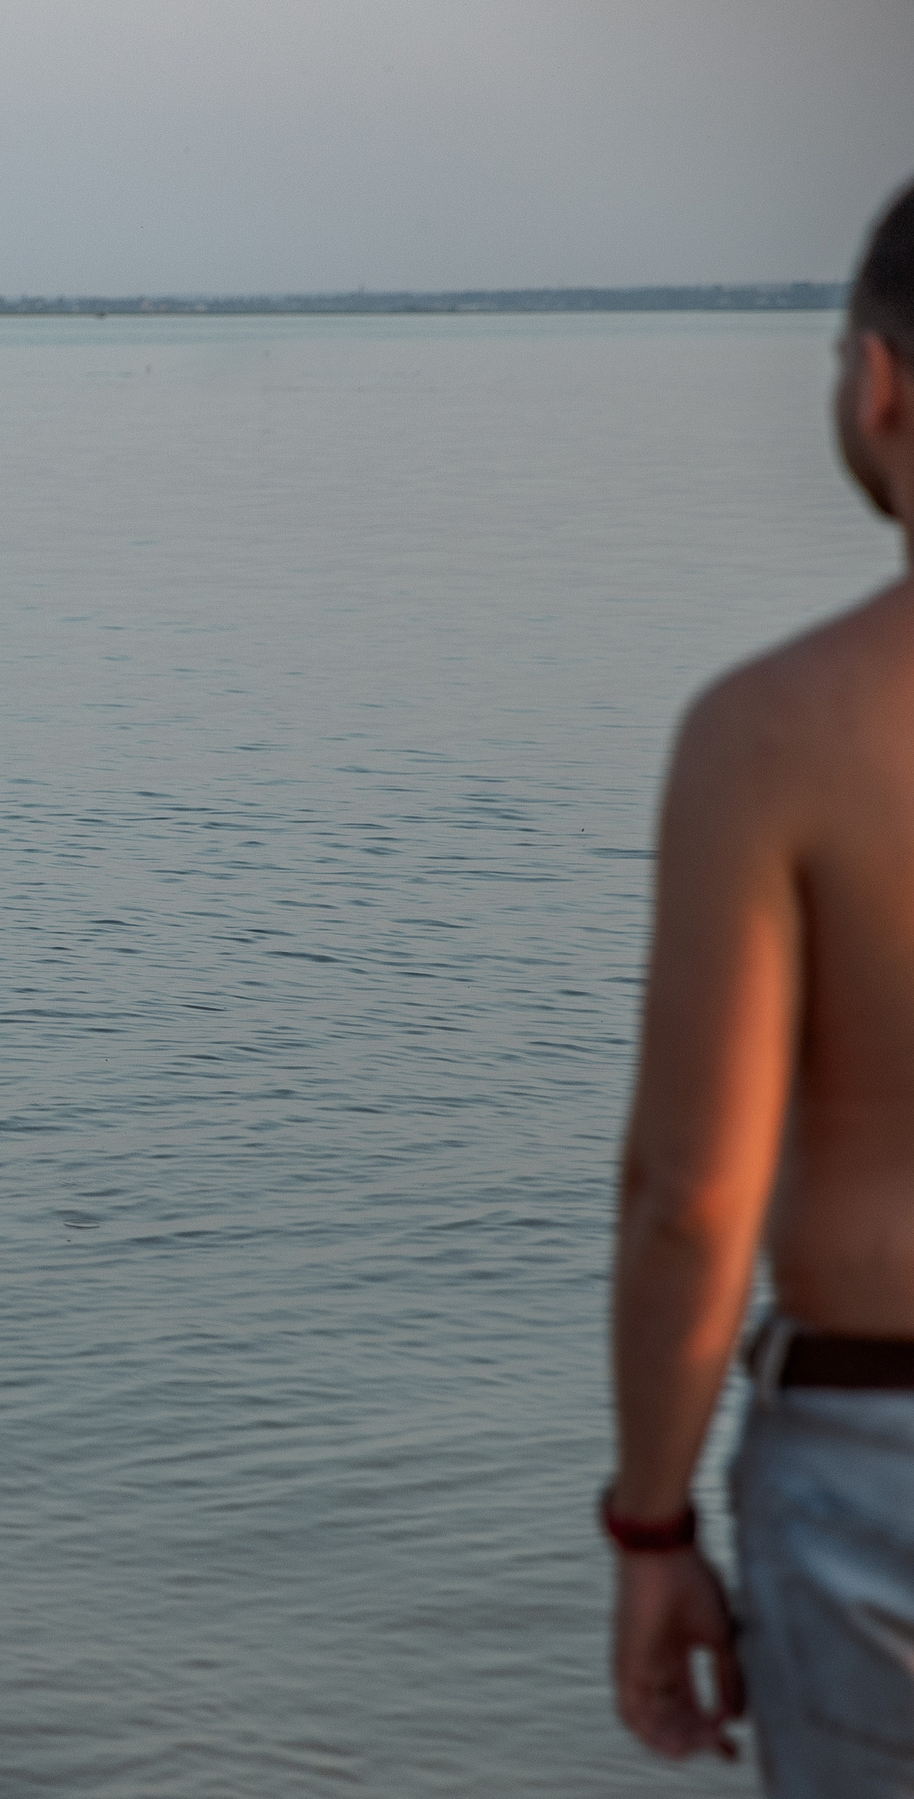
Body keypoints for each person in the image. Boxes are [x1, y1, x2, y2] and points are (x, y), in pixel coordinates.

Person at [610, 178, 914, 1792]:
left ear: (880, 381)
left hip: (883, 1447)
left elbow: (692, 1192)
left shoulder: (780, 732)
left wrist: (649, 1518)